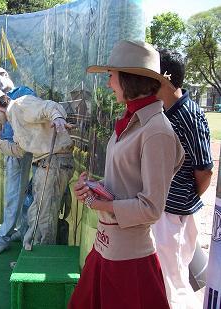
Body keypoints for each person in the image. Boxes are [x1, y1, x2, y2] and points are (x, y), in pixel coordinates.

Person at [69, 40, 185, 309]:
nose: (109, 83)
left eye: (112, 75)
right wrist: (93, 188)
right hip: (105, 248)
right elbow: (124, 182)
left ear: (129, 79)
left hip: (128, 261)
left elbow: (152, 207)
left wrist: (103, 204)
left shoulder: (156, 131)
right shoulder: (131, 120)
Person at [0, 88, 74, 249]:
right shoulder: (14, 118)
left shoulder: (21, 105)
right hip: (48, 164)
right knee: (36, 215)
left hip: (54, 163)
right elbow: (18, 151)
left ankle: (41, 263)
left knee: (44, 218)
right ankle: (34, 258)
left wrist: (58, 117)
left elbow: (48, 106)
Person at [151, 49, 213, 308]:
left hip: (175, 215)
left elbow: (204, 170)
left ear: (164, 77)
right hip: (163, 210)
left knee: (174, 283)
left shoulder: (189, 113)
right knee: (163, 279)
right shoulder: (163, 111)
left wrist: (183, 202)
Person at [0, 67, 36, 255]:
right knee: (16, 193)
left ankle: (4, 237)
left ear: (5, 76)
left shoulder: (24, 93)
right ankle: (18, 231)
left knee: (21, 194)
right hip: (14, 148)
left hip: (30, 149)